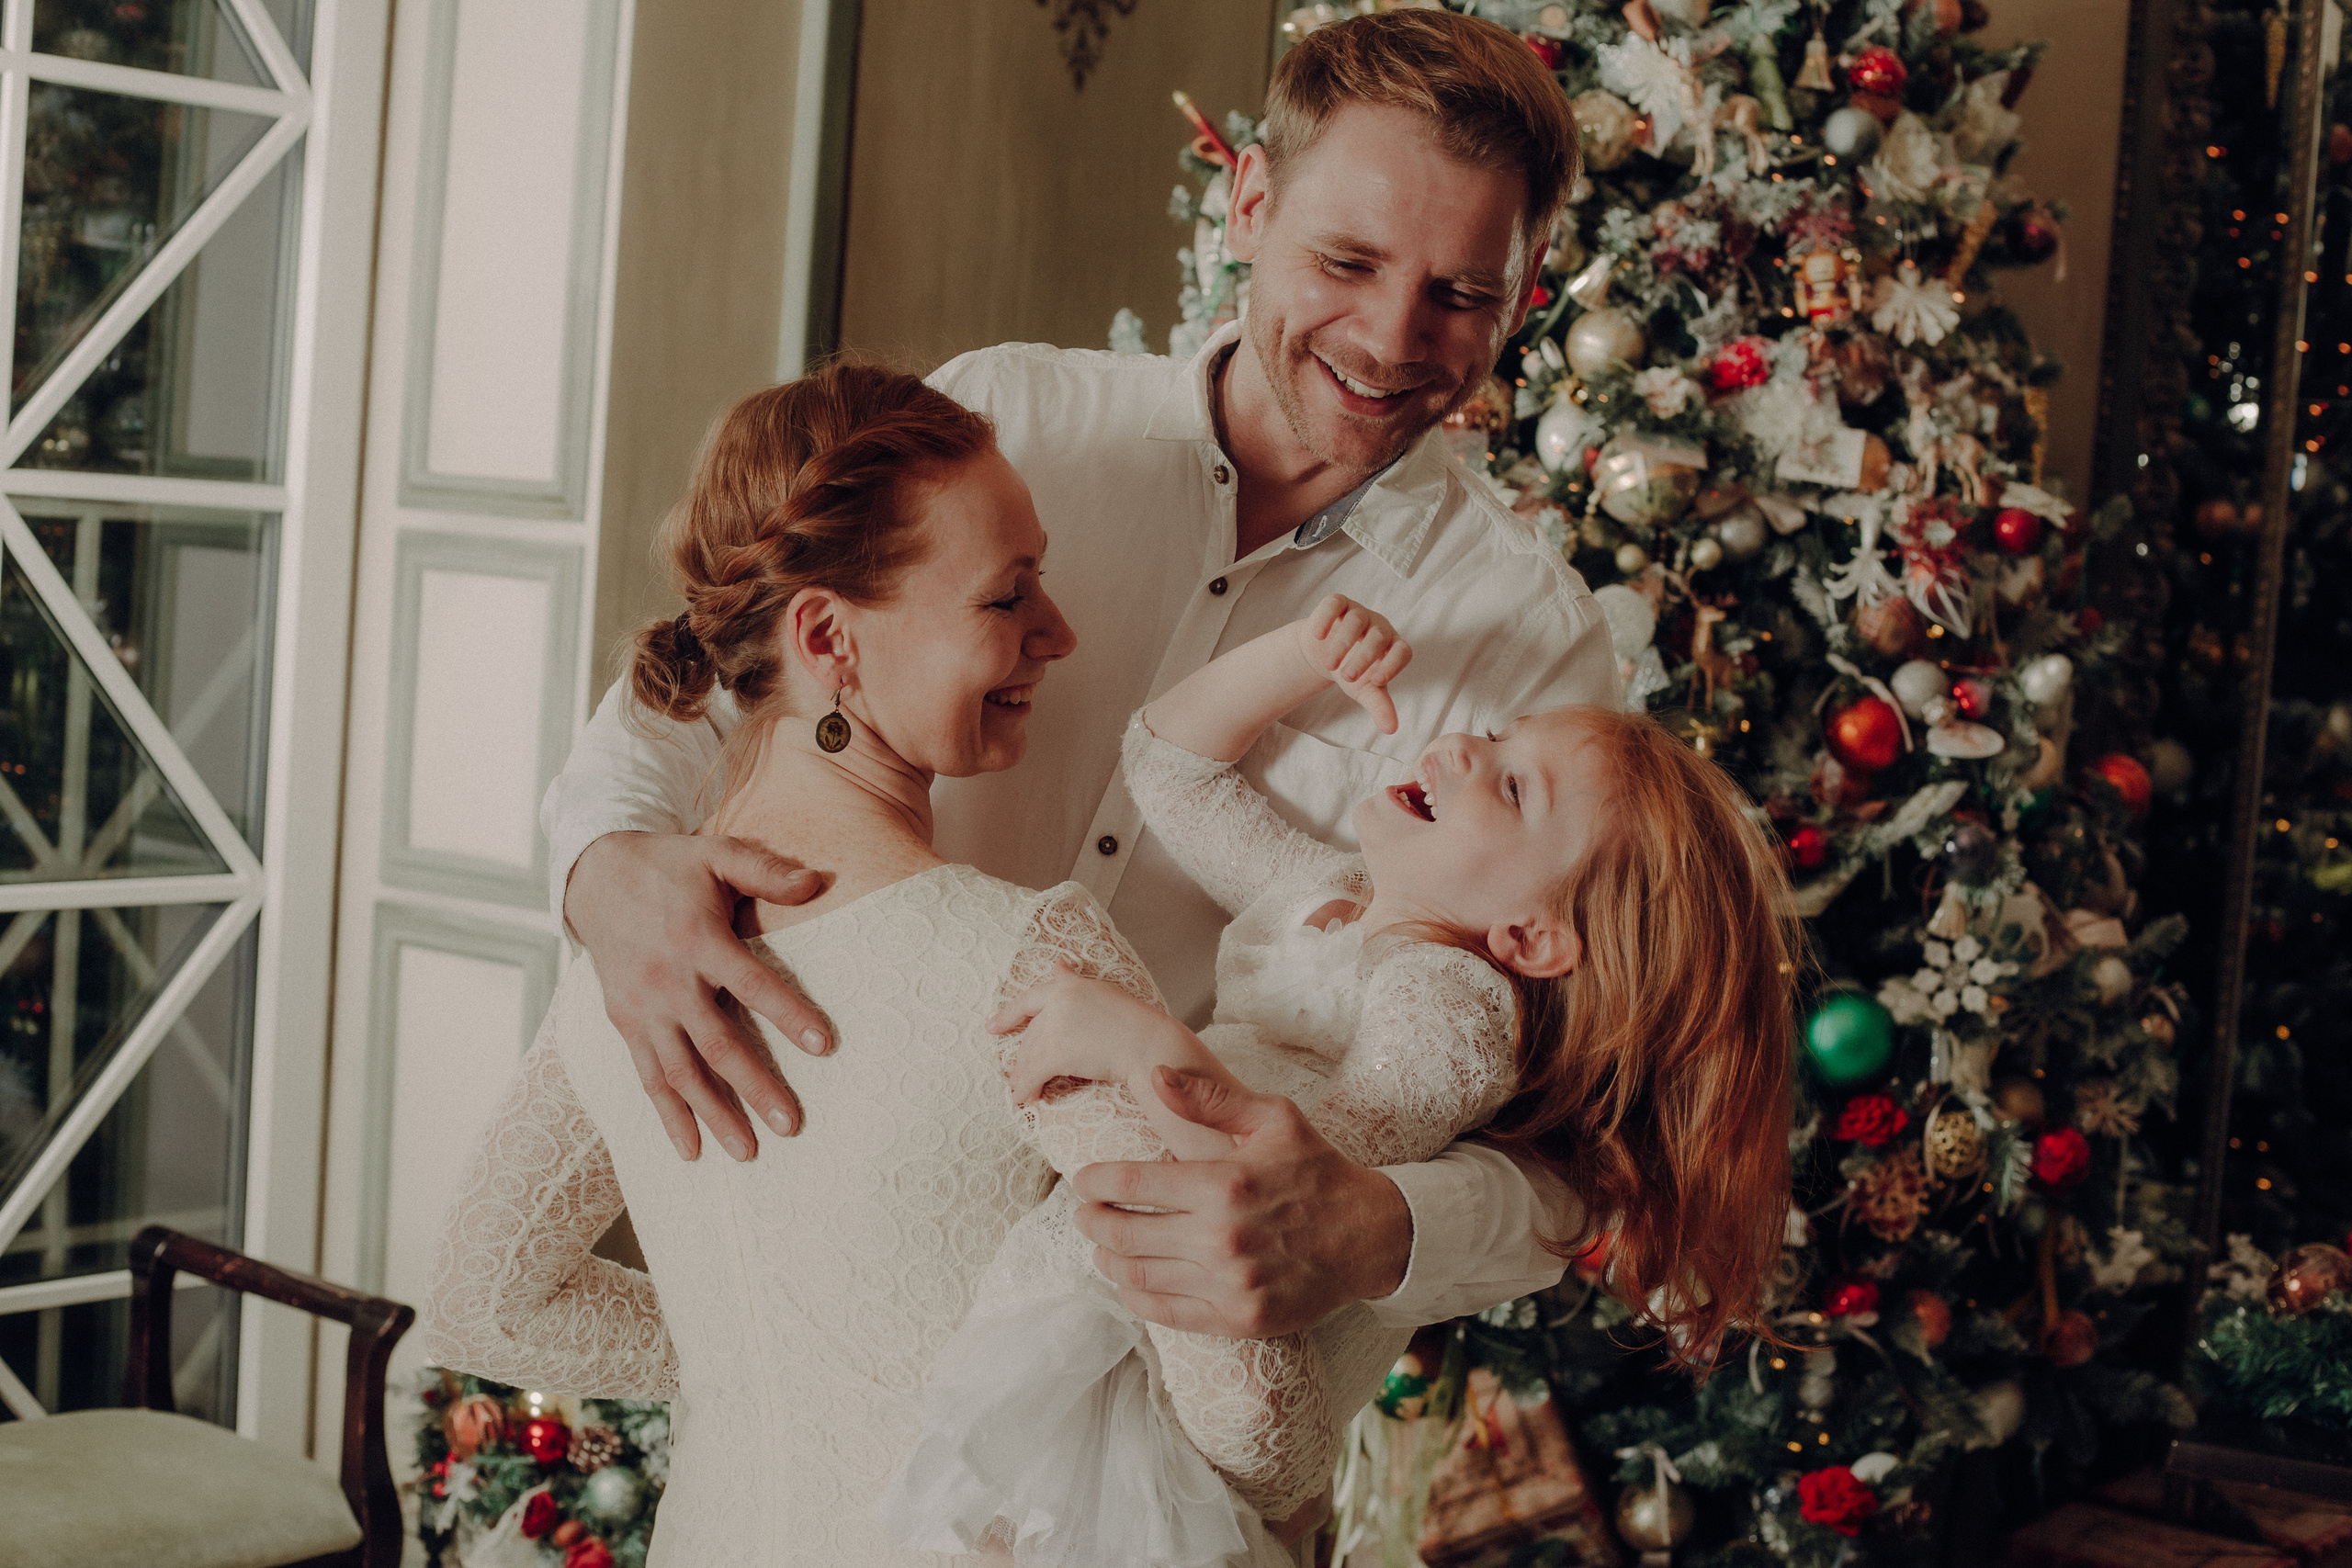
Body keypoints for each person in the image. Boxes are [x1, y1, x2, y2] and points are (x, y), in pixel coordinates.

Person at [542, 7, 1615, 1348]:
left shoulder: (1536, 639)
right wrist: (603, 867)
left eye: (1465, 294)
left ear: (1524, 288)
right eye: (1347, 259)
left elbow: (1581, 1144)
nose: (1396, 339)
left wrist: (1377, 1228)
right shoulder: (1010, 420)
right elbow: (712, 671)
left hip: (1161, 1367)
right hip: (836, 1223)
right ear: (1248, 202)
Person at [419, 365, 1254, 1565]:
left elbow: (486, 1297)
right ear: (828, 638)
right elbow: (1251, 1422)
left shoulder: (623, 970)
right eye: (1009, 595)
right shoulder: (1024, 954)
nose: (1058, 634)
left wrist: (757, 1366)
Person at [875, 598, 1799, 1567]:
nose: (1457, 751)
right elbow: (1166, 765)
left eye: (1513, 787)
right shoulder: (1329, 895)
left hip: (1208, 1357)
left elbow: (1287, 1181)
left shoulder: (1456, 1012)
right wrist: (1301, 652)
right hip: (1135, 1290)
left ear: (1530, 937)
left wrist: (1137, 1048)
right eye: (1491, 736)